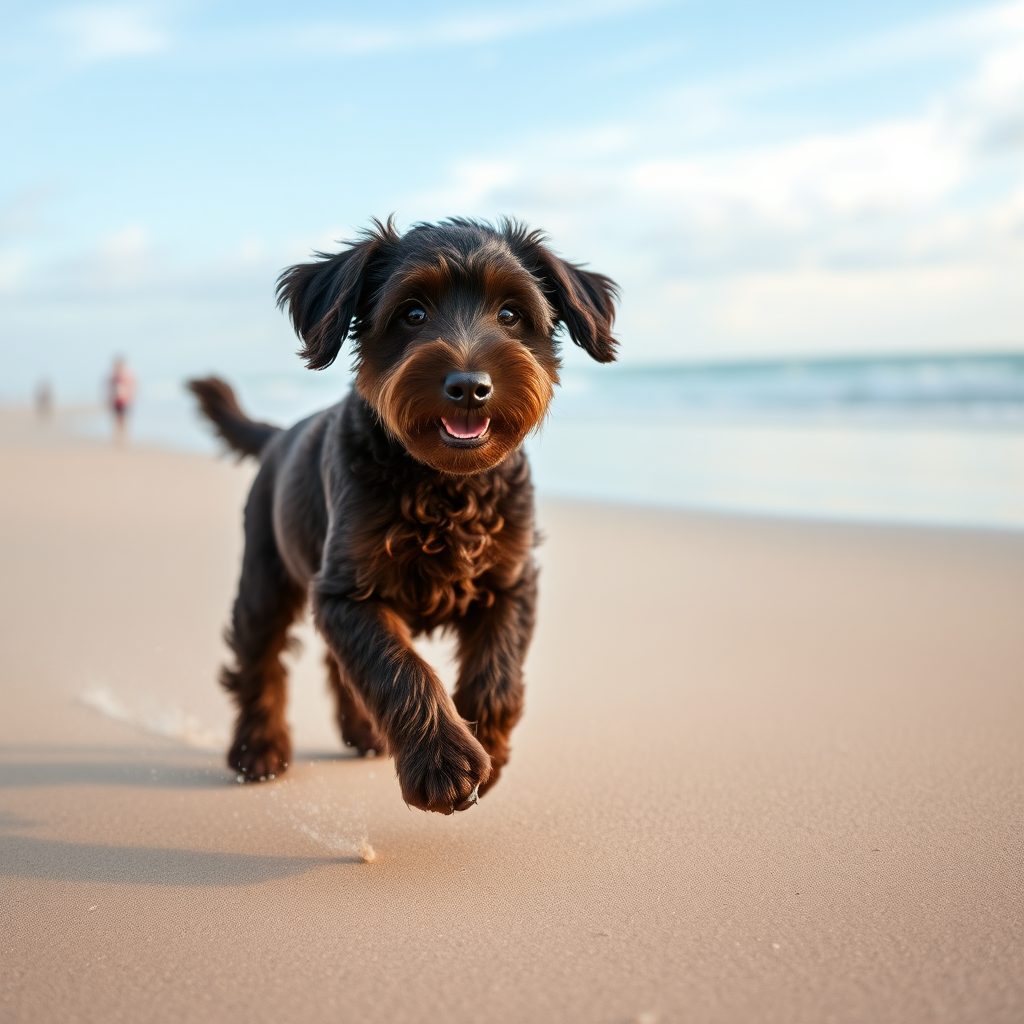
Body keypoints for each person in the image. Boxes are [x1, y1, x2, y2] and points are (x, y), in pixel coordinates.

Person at [108, 357, 136, 444]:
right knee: (116, 420)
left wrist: (130, 397)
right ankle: (117, 438)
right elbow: (110, 389)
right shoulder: (113, 377)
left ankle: (124, 438)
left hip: (125, 401)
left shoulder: (126, 376)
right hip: (116, 401)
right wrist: (110, 399)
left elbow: (131, 387)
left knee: (124, 420)